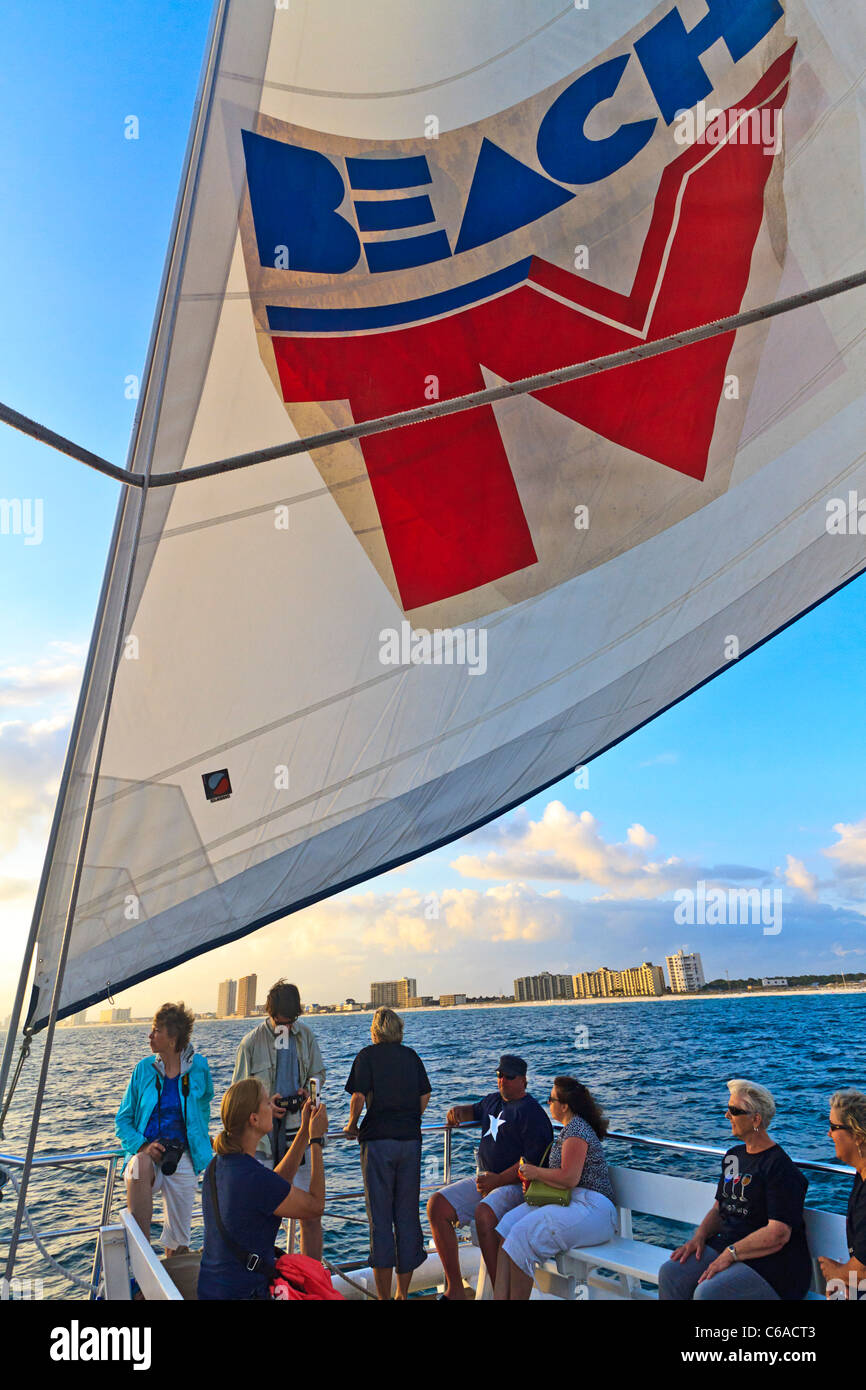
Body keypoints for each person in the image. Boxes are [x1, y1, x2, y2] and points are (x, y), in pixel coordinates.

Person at [659, 1078, 811, 1301]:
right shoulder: (734, 1156)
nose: (726, 1115)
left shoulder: (780, 1167)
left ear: (756, 1119)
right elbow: (720, 1207)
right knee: (671, 1273)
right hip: (729, 1245)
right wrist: (699, 1236)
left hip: (774, 1264)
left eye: (734, 1110)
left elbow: (778, 1233)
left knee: (708, 1292)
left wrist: (731, 1254)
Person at [427, 1054, 552, 1300]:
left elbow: (531, 1164)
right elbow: (471, 1110)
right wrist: (456, 1112)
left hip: (517, 1185)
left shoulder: (533, 1114)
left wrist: (497, 1181)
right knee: (436, 1206)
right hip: (486, 1182)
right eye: (499, 1075)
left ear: (524, 1081)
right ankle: (455, 1290)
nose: (502, 1080)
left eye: (509, 1076)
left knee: (483, 1214)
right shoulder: (492, 1101)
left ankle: (500, 1293)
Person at [198, 1079, 327, 1300]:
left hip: (212, 1290)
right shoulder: (253, 1178)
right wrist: (316, 1140)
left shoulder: (217, 1166)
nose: (273, 1105)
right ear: (254, 1119)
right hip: (245, 1294)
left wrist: (304, 1131)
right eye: (267, 1102)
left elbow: (274, 1185)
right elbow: (316, 1206)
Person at [493, 1075, 617, 1300]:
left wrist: (535, 1172)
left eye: (550, 1099)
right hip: (571, 1200)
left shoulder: (577, 1130)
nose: (548, 1103)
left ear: (564, 1106)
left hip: (594, 1207)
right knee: (506, 1227)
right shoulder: (568, 1130)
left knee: (522, 1235)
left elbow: (570, 1178)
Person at [232, 978, 326, 1259]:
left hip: (300, 1135)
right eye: (280, 1020)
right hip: (262, 1145)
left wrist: (307, 1092)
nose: (285, 1026)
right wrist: (264, 1106)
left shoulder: (306, 1037)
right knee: (261, 1217)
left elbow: (319, 1074)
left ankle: (311, 1281)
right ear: (270, 1013)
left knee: (311, 1215)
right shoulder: (250, 1043)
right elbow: (237, 1094)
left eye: (290, 1020)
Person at [343, 1007, 432, 1300]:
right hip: (409, 1142)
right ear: (399, 1030)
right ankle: (402, 1294)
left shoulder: (367, 1056)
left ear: (375, 1031)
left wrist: (352, 1124)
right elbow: (425, 1095)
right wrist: (410, 1117)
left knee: (380, 1220)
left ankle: (383, 1297)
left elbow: (357, 1096)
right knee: (406, 1217)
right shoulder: (412, 1057)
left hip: (378, 1143)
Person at [116, 1002, 213, 1255]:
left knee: (179, 1244)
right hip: (144, 1155)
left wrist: (199, 1147)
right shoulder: (143, 1069)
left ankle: (173, 1275)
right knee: (139, 1165)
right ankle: (142, 1257)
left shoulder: (199, 1068)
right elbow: (122, 1121)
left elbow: (204, 1109)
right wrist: (144, 1145)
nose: (150, 1036)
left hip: (183, 1156)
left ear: (173, 1038)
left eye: (156, 1030)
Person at [817, 1088, 866, 1300]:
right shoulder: (861, 1175)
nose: (829, 1134)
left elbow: (863, 1270)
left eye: (833, 1127)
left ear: (856, 1136)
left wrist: (836, 1273)